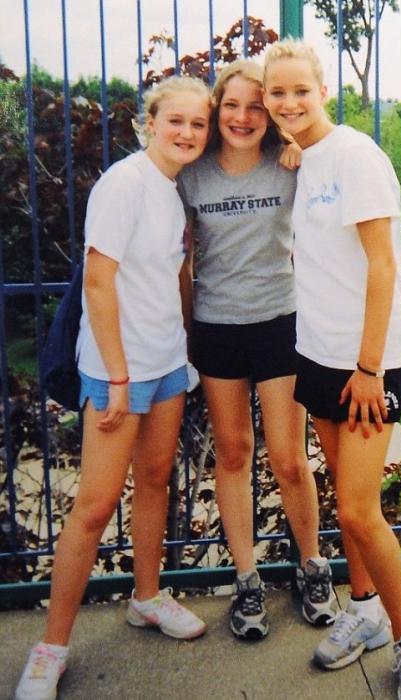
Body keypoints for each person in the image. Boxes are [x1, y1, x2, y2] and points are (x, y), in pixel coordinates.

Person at [15, 75, 212, 700]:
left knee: (154, 481)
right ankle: (50, 649)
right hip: (115, 370)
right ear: (149, 123)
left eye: (198, 124)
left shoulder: (175, 191)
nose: (186, 132)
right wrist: (119, 378)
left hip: (168, 362)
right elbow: (99, 283)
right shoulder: (123, 184)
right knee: (96, 506)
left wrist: (186, 351)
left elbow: (174, 279)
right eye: (175, 120)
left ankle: (146, 597)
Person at [263, 38, 401, 700]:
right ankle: (363, 611)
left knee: (362, 511)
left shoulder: (356, 155)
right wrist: (290, 149)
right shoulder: (303, 159)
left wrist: (368, 368)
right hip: (317, 354)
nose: (288, 102)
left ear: (323, 91)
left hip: (370, 362)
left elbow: (383, 264)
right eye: (277, 93)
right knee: (345, 497)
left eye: (300, 91)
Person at [177, 59, 337, 642]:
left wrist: (294, 144)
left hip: (279, 324)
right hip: (217, 328)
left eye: (254, 106)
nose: (243, 117)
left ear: (268, 113)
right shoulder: (190, 175)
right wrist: (187, 334)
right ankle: (246, 581)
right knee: (234, 454)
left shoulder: (290, 164)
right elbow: (179, 258)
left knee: (290, 458)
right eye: (231, 105)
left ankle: (312, 568)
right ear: (217, 110)